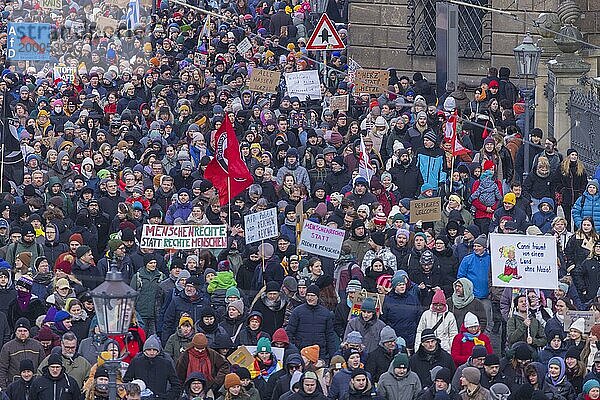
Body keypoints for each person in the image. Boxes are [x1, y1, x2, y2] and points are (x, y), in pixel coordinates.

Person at [286, 285, 337, 361]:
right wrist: (294, 349)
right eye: (308, 295)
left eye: (312, 295)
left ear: (317, 297)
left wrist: (333, 356)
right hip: (302, 352)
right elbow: (289, 332)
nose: (310, 298)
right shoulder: (297, 311)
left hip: (319, 353)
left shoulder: (326, 313)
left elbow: (330, 335)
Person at [123, 335, 182, 399]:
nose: (152, 352)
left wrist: (166, 397)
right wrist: (134, 395)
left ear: (158, 351)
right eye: (149, 350)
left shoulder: (166, 363)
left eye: (154, 350)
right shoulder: (136, 362)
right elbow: (126, 381)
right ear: (144, 350)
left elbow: (176, 385)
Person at [381, 270, 422, 353]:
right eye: (399, 285)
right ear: (394, 286)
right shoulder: (388, 300)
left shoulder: (412, 298)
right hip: (395, 337)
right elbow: (384, 318)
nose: (402, 287)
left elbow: (419, 315)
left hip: (411, 336)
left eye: (403, 284)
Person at [0, 317, 45, 390]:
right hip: (14, 385)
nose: (22, 333)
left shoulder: (37, 345)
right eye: (20, 331)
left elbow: (43, 366)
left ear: (29, 331)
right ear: (15, 332)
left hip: (34, 384)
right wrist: (4, 388)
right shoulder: (7, 347)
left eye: (25, 330)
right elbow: (2, 369)